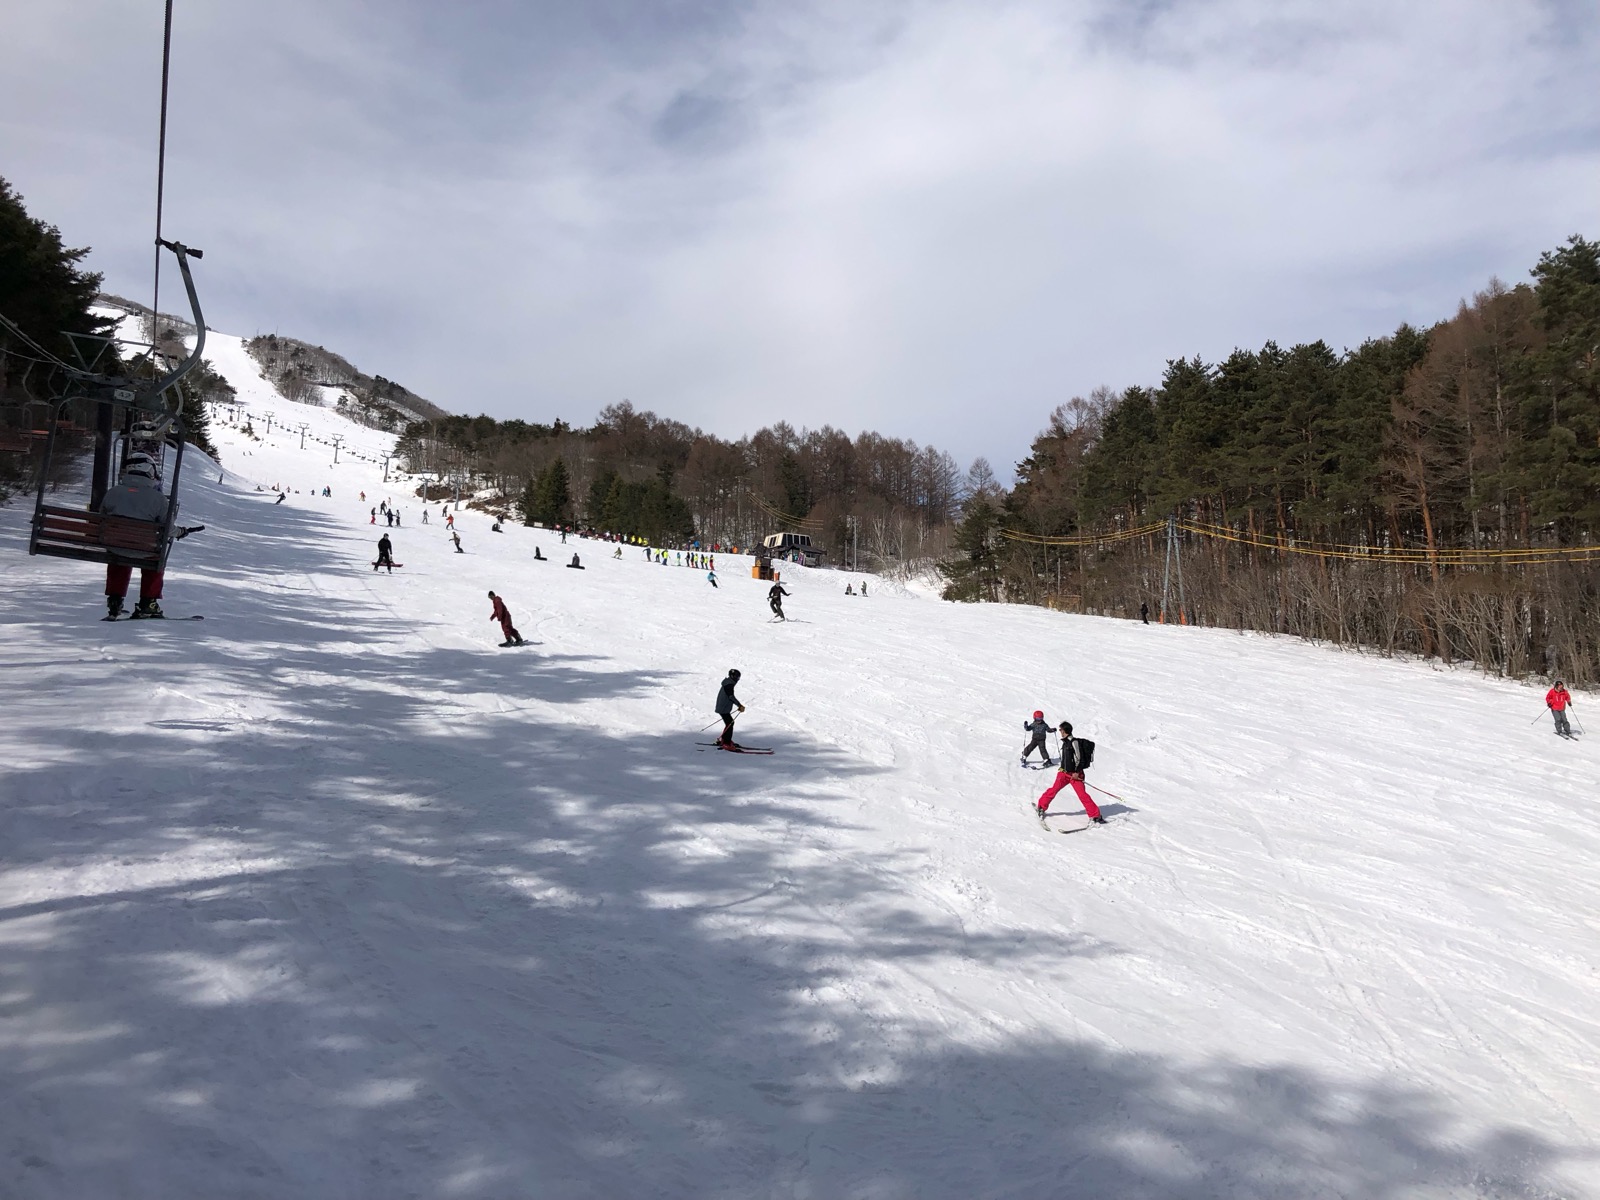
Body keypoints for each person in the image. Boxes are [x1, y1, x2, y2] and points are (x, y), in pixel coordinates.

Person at [101, 452, 170, 619]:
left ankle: (115, 600)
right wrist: (180, 531)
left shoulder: (113, 492)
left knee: (119, 551)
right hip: (145, 550)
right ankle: (148, 601)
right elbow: (167, 527)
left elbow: (102, 515)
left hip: (116, 546)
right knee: (156, 557)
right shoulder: (158, 499)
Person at [1036, 722, 1104, 823]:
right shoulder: (1065, 742)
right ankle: (1041, 807)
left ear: (1064, 730)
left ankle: (1095, 816)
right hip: (1064, 773)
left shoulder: (1073, 742)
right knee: (1053, 790)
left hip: (1075, 775)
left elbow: (1079, 758)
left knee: (1082, 795)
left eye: (1061, 730)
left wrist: (1076, 772)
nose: (1060, 732)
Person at [715, 668, 745, 747]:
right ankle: (726, 743)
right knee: (730, 723)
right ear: (732, 676)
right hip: (723, 708)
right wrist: (739, 705)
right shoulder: (729, 684)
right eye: (737, 677)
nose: (738, 679)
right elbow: (731, 697)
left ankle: (725, 740)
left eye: (738, 677)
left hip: (724, 708)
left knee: (729, 723)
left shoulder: (728, 683)